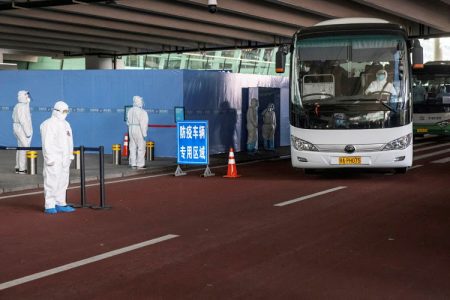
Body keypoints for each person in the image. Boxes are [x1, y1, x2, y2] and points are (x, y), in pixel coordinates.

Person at [40, 101, 75, 214]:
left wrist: (70, 155)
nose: (65, 113)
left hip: (65, 158)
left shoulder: (66, 124)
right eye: (64, 111)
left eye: (66, 111)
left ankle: (61, 202)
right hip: (54, 158)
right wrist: (49, 159)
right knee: (52, 181)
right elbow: (47, 143)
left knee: (63, 181)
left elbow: (70, 141)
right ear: (57, 110)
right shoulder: (48, 124)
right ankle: (49, 204)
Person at [12, 90, 33, 174]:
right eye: (26, 95)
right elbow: (23, 120)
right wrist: (28, 132)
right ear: (22, 96)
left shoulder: (20, 105)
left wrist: (28, 102)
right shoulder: (21, 107)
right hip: (21, 129)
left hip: (18, 128)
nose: (28, 96)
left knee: (20, 147)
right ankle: (22, 169)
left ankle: (18, 167)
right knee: (24, 148)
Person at [127, 95, 148, 169]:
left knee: (132, 147)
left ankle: (133, 163)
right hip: (139, 130)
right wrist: (144, 134)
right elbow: (143, 124)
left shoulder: (130, 110)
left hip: (131, 129)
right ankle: (140, 164)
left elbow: (128, 122)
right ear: (139, 102)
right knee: (141, 147)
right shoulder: (142, 112)